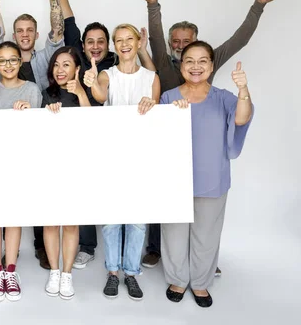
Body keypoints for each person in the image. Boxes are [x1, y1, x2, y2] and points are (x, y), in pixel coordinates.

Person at [140, 0, 276, 272]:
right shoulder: (164, 63)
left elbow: (239, 39)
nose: (180, 45)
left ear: (203, 53)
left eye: (186, 41)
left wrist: (258, 6)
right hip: (171, 149)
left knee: (205, 213)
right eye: (176, 41)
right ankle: (157, 250)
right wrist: (153, 5)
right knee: (165, 207)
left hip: (204, 149)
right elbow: (155, 35)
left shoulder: (206, 65)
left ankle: (203, 264)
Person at [145, 41, 254, 308]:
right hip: (175, 181)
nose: (196, 66)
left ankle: (201, 282)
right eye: (189, 61)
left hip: (212, 179)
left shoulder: (223, 97)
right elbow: (155, 135)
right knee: (174, 234)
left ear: (211, 65)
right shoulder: (170, 97)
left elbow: (241, 118)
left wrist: (243, 90)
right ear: (181, 66)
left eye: (202, 61)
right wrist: (153, 107)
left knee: (206, 235)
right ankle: (178, 279)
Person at [0, 0, 64, 270]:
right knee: (2, 202)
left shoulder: (44, 59)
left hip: (38, 133)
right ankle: (0, 256)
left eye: (30, 29)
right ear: (13, 38)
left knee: (40, 194)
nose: (25, 34)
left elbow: (58, 31)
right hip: (1, 142)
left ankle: (43, 248)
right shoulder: (3, 57)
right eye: (20, 30)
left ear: (36, 34)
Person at [84, 24, 160, 301]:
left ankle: (131, 272)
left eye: (130, 39)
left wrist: (152, 104)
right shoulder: (107, 74)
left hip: (141, 159)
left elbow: (155, 113)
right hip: (112, 158)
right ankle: (113, 273)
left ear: (139, 43)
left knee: (138, 222)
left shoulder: (151, 77)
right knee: (112, 221)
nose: (125, 44)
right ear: (115, 46)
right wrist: (93, 83)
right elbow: (102, 96)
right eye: (119, 40)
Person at [0, 41, 42, 301]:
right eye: (2, 60)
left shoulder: (32, 89)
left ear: (20, 62)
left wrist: (28, 114)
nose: (7, 65)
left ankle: (11, 269)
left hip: (20, 162)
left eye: (12, 60)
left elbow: (39, 129)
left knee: (13, 216)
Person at [41, 47, 89, 300]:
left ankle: (67, 273)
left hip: (77, 167)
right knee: (51, 223)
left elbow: (91, 124)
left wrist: (81, 91)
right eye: (56, 65)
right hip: (50, 166)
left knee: (70, 223)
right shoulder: (46, 94)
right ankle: (55, 270)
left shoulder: (88, 92)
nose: (60, 70)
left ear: (76, 69)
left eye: (66, 65)